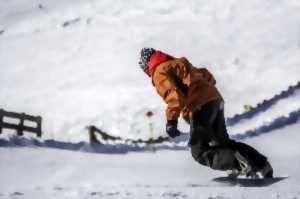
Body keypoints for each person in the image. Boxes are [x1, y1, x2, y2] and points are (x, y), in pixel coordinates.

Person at [138, 47, 273, 178]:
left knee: (199, 151)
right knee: (222, 143)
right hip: (215, 100)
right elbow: (207, 75)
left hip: (200, 106)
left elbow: (173, 96)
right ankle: (261, 165)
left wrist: (171, 121)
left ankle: (240, 164)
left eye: (141, 64)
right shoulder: (177, 63)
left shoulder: (159, 71)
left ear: (146, 63)